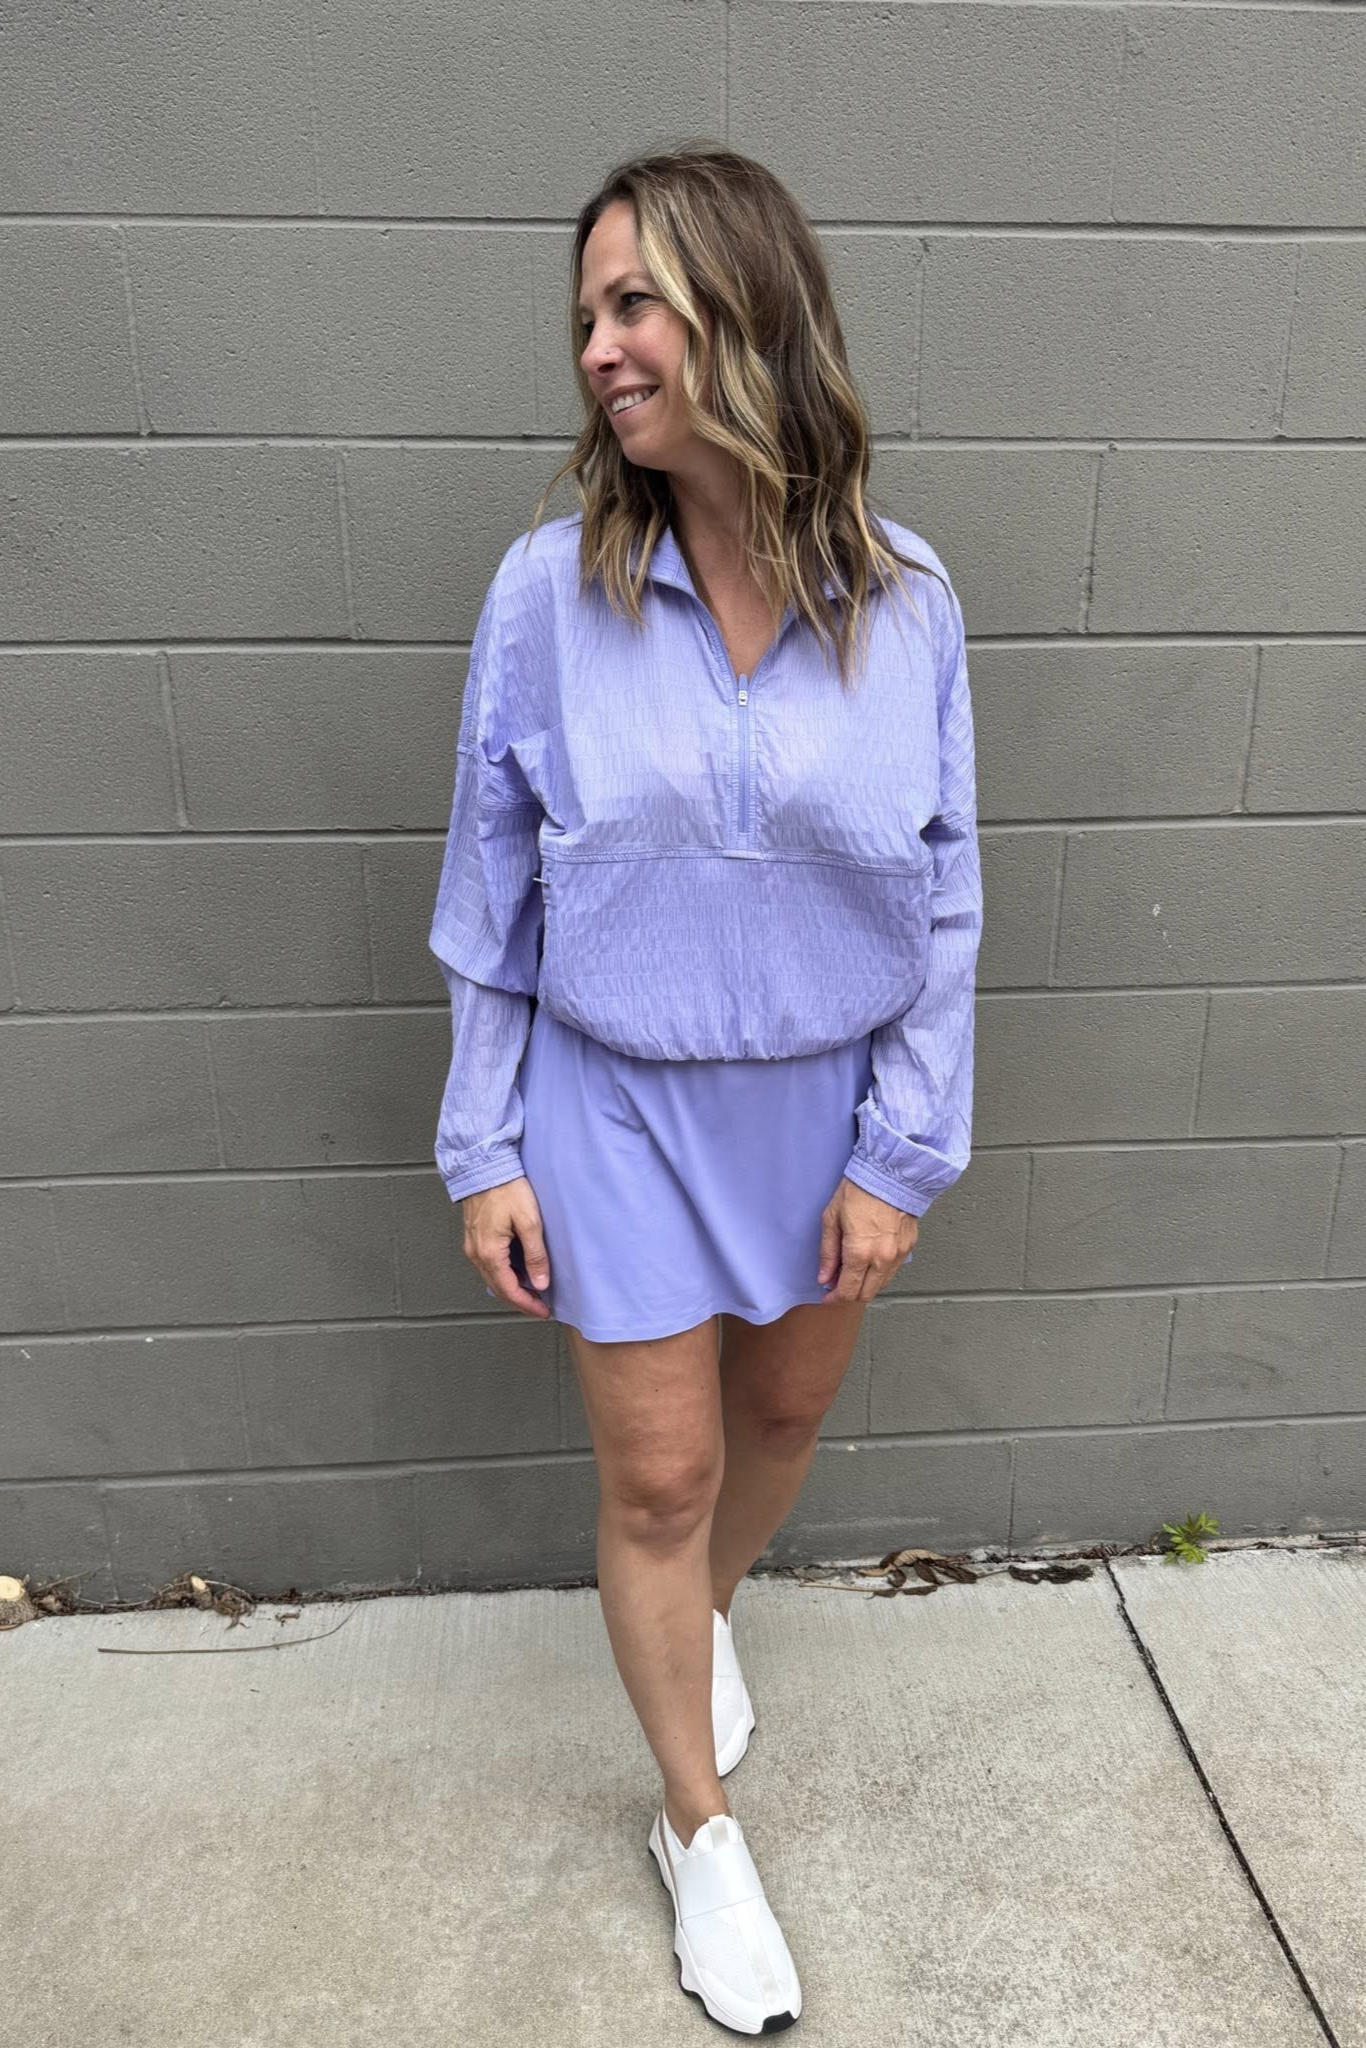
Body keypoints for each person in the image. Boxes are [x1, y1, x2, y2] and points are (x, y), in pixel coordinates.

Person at [428, 140, 982, 2035]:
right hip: (614, 1105)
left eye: (635, 303)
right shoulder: (545, 595)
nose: (597, 346)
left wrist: (902, 1151)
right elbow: (490, 894)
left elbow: (946, 892)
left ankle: (709, 1622)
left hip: (827, 1112)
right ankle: (698, 1827)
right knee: (660, 1476)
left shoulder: (907, 598)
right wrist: (483, 1144)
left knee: (780, 1421)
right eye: (585, 314)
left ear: (749, 313)